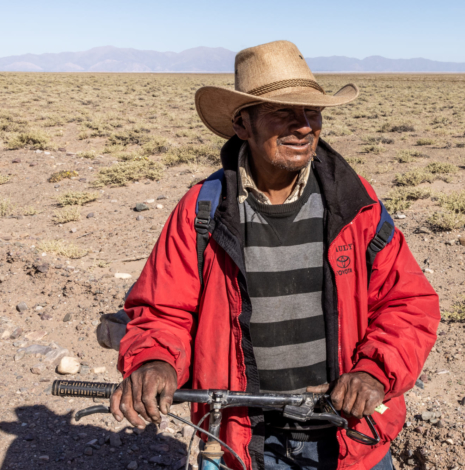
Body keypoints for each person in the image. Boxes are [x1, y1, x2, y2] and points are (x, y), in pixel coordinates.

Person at [110, 40, 440, 470]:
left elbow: (409, 303)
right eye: (283, 112)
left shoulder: (356, 207)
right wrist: (155, 360)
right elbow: (163, 308)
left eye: (312, 112)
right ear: (243, 125)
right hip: (245, 437)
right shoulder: (202, 211)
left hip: (350, 436)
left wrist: (374, 372)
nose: (303, 126)